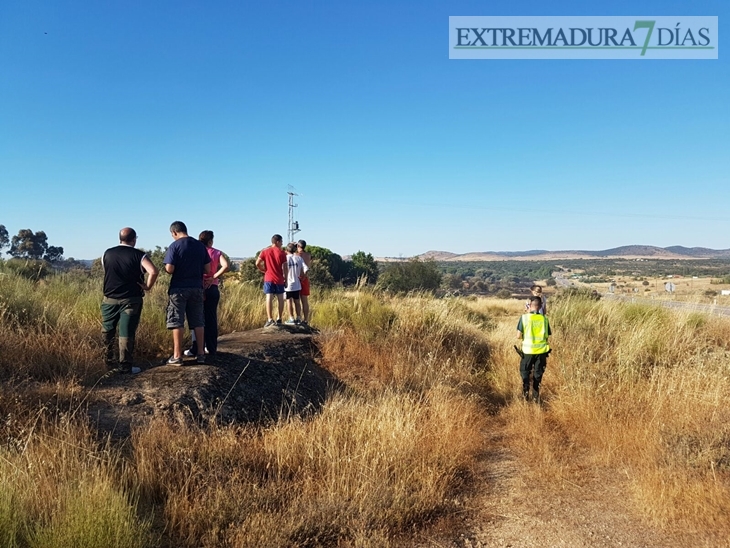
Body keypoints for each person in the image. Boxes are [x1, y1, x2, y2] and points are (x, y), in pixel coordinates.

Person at [101, 227, 159, 374]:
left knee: (107, 330)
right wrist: (147, 286)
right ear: (134, 239)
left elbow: (106, 271)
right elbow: (153, 271)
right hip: (131, 299)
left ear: (120, 238)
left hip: (109, 299)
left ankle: (106, 362)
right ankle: (125, 366)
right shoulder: (139, 255)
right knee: (126, 332)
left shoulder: (107, 253)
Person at [163, 221, 210, 365]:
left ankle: (177, 356)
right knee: (198, 320)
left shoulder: (174, 246)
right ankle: (201, 354)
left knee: (177, 320)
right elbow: (207, 269)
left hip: (179, 288)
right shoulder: (200, 246)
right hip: (196, 287)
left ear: (174, 232)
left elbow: (169, 268)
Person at [184, 230, 230, 358]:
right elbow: (225, 266)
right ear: (211, 241)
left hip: (199, 287)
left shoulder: (196, 251)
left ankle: (197, 348)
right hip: (213, 287)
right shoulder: (216, 252)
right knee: (211, 318)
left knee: (197, 319)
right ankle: (212, 348)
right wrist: (214, 276)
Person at [517, 295, 552, 402]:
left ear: (530, 305)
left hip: (527, 352)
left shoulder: (524, 318)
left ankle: (525, 396)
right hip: (541, 352)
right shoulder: (544, 319)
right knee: (538, 375)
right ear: (540, 306)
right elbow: (547, 336)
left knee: (525, 374)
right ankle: (536, 398)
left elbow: (518, 336)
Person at [255, 234, 288, 327]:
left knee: (269, 297)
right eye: (281, 242)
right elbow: (285, 267)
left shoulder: (265, 251)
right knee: (280, 298)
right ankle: (279, 318)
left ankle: (270, 319)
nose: (282, 243)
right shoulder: (282, 253)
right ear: (277, 242)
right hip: (279, 278)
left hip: (268, 277)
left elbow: (257, 263)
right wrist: (286, 278)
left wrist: (263, 270)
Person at [284, 242, 308, 324]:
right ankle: (298, 318)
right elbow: (306, 269)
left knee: (289, 301)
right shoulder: (299, 258)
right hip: (297, 283)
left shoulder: (285, 258)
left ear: (287, 250)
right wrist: (303, 277)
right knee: (297, 301)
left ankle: (291, 318)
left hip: (288, 284)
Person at [296, 240, 312, 325]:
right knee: (305, 301)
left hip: (297, 278)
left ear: (298, 246)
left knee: (297, 300)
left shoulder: (296, 255)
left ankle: (298, 318)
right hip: (305, 279)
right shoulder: (308, 255)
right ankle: (306, 320)